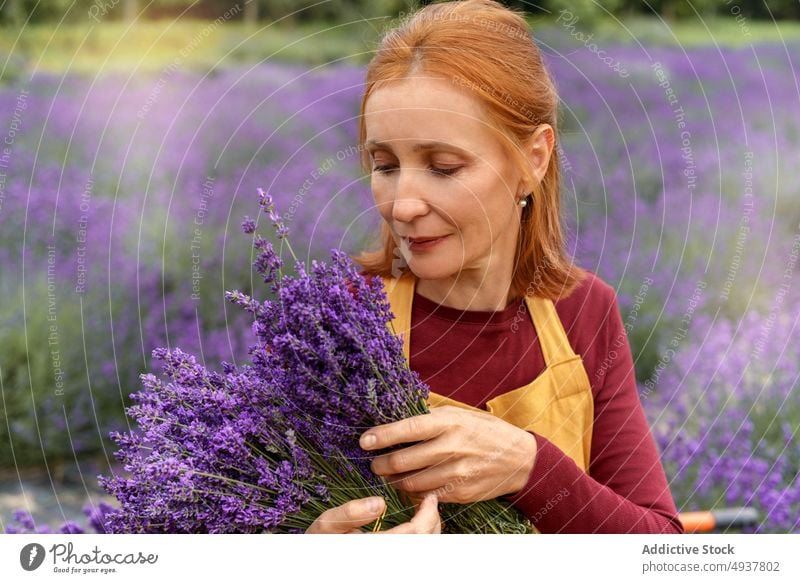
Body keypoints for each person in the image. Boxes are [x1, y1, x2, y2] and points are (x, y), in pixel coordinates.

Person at [307, 0, 683, 534]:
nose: (402, 205)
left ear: (533, 158)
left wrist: (528, 466)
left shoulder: (584, 312)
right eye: (384, 165)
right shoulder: (337, 321)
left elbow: (661, 547)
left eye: (443, 167)